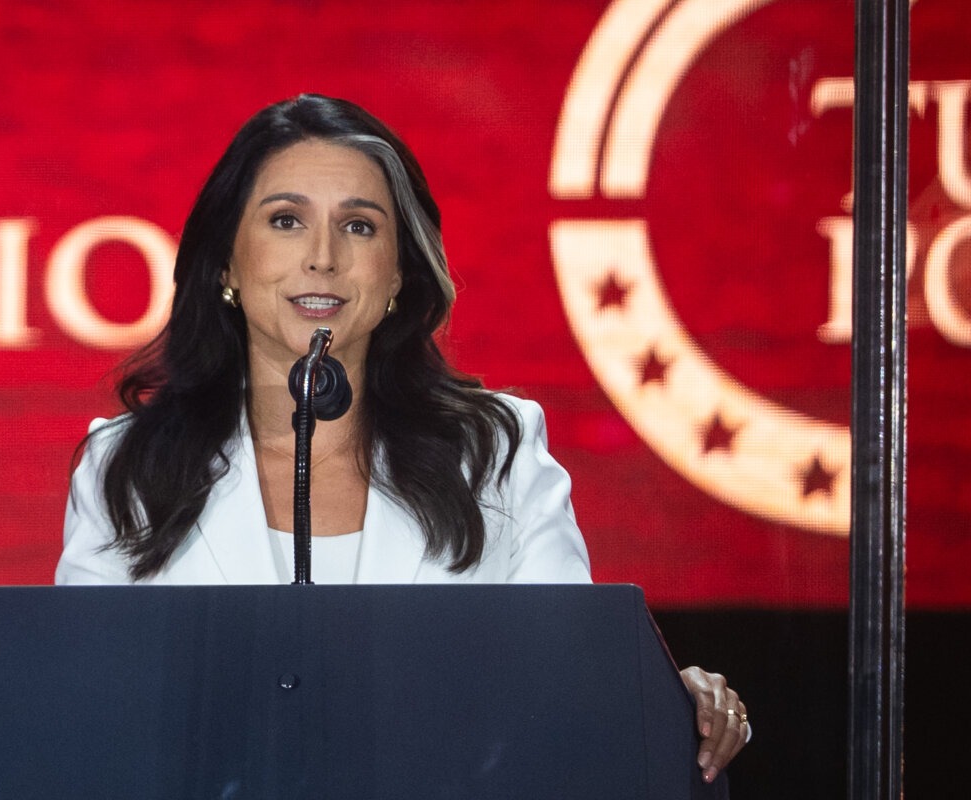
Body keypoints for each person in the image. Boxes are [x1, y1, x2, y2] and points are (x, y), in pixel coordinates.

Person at [56, 93, 748, 782]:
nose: (322, 258)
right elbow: (82, 715)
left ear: (397, 275)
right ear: (225, 265)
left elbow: (568, 682)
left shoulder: (494, 453)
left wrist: (659, 700)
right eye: (287, 221)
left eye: (359, 227)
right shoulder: (129, 467)